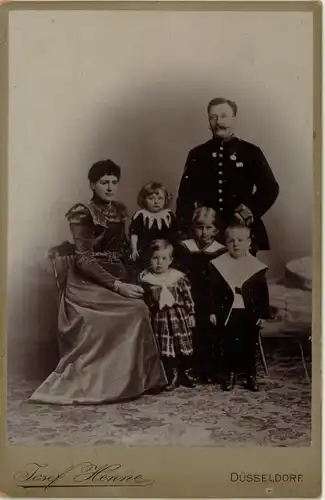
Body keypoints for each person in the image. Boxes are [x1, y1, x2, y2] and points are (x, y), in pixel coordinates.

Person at [29, 160, 167, 405]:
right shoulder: (82, 212)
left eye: (114, 182)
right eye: (104, 182)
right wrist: (117, 285)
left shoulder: (120, 211)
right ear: (93, 184)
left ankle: (137, 380)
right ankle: (104, 384)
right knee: (129, 311)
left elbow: (124, 250)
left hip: (116, 274)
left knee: (140, 308)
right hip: (85, 283)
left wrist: (144, 272)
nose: (110, 187)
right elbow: (84, 259)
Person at [176, 97, 279, 255]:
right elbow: (185, 196)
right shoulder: (197, 154)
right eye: (213, 117)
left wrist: (246, 212)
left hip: (240, 229)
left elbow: (270, 188)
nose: (218, 121)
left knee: (242, 275)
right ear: (208, 122)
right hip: (207, 230)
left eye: (224, 116)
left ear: (234, 118)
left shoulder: (251, 152)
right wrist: (184, 230)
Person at [208, 222, 270, 392]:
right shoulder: (217, 264)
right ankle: (229, 374)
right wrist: (212, 311)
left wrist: (263, 315)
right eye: (230, 240)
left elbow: (262, 293)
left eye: (240, 240)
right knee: (227, 343)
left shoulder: (256, 266)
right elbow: (212, 291)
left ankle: (250, 375)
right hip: (227, 310)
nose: (235, 244)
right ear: (225, 243)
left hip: (249, 311)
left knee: (249, 344)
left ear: (249, 243)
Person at [176, 206, 226, 383]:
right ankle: (191, 367)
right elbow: (179, 273)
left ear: (216, 230)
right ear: (193, 228)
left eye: (208, 227)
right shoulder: (185, 247)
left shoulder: (220, 250)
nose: (203, 232)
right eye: (199, 227)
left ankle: (210, 368)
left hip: (211, 297)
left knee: (210, 329)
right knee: (190, 330)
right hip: (189, 295)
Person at [140, 239, 196, 391]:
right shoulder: (146, 279)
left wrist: (191, 313)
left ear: (170, 260)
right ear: (149, 259)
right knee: (166, 347)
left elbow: (187, 296)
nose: (159, 262)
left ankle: (184, 373)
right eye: (155, 258)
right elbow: (144, 300)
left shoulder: (177, 277)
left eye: (164, 258)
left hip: (178, 316)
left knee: (181, 344)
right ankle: (172, 375)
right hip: (160, 318)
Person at [130, 181, 177, 269]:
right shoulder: (141, 215)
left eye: (160, 198)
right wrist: (134, 249)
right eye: (151, 198)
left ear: (165, 200)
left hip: (165, 252)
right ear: (144, 200)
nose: (156, 202)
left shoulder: (168, 215)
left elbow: (175, 234)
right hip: (146, 251)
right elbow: (134, 233)